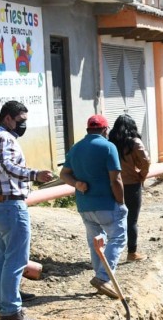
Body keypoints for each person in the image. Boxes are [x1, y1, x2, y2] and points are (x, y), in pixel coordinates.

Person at [0, 100, 53, 320]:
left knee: (2, 258)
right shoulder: (3, 137)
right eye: (21, 121)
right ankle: (11, 308)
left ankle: (5, 307)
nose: (23, 125)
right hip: (9, 206)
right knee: (16, 259)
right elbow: (7, 166)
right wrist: (35, 174)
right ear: (8, 118)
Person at [59, 115, 127, 299]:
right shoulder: (108, 146)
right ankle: (103, 277)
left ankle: (100, 279)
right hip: (107, 204)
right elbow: (116, 179)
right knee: (118, 238)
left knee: (96, 242)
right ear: (105, 130)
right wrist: (121, 202)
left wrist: (76, 184)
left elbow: (63, 174)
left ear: (88, 129)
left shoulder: (76, 148)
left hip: (85, 205)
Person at [108, 114, 150, 262]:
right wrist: (141, 176)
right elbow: (145, 162)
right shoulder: (134, 142)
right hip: (132, 185)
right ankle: (132, 253)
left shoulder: (110, 143)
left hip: (113, 184)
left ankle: (110, 253)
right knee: (131, 219)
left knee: (114, 219)